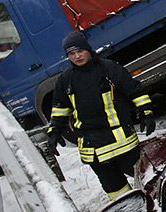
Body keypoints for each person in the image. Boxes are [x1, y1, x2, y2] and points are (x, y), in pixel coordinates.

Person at [47, 31, 155, 200]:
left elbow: (134, 91)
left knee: (148, 180)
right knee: (118, 194)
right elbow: (60, 107)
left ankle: (158, 211)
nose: (77, 57)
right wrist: (54, 131)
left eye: (80, 51)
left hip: (122, 143)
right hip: (93, 150)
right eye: (71, 54)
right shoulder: (66, 79)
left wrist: (146, 113)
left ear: (88, 50)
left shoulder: (109, 69)